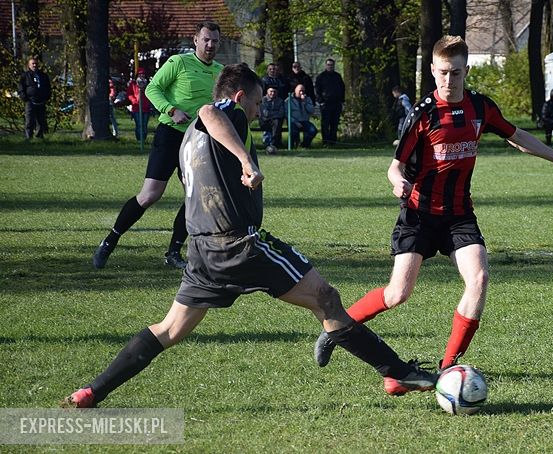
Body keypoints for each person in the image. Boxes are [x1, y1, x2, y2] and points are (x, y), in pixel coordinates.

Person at [61, 63, 437, 409]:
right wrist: (245, 160)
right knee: (326, 299)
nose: (257, 111)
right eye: (256, 102)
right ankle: (396, 372)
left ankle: (93, 391)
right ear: (240, 97)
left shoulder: (188, 136)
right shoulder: (227, 111)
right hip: (239, 243)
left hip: (203, 252)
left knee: (170, 329)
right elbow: (211, 111)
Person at [313, 35, 553, 371]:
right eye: (442, 72)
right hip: (419, 214)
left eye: (455, 73)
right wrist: (397, 181)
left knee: (480, 280)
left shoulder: (480, 107)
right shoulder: (422, 114)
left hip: (459, 215)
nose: (448, 79)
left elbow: (518, 137)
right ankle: (336, 330)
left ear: (466, 70)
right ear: (432, 70)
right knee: (398, 293)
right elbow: (395, 165)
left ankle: (447, 370)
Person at [92, 21, 224, 270]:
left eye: (215, 41)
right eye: (206, 39)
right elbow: (153, 89)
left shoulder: (220, 71)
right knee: (150, 195)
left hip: (197, 141)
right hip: (170, 135)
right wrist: (171, 109)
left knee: (194, 196)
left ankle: (173, 252)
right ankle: (109, 241)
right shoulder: (178, 63)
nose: (210, 45)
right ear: (195, 40)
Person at [18, 56, 51, 140]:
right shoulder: (25, 76)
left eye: (36, 63)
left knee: (41, 121)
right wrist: (24, 97)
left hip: (41, 101)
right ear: (29, 65)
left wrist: (47, 97)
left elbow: (48, 87)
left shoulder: (43, 75)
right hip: (30, 101)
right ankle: (28, 138)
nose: (34, 65)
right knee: (29, 121)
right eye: (33, 64)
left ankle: (39, 137)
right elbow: (21, 88)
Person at [315, 58, 346, 144]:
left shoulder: (337, 76)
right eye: (328, 65)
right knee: (325, 124)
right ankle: (325, 142)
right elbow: (317, 90)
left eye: (331, 65)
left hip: (336, 103)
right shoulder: (321, 77)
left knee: (334, 123)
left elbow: (342, 89)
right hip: (326, 104)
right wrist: (321, 101)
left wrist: (342, 101)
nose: (330, 66)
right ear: (326, 65)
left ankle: (333, 141)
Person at [286, 83, 318, 148]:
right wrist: (295, 122)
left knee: (313, 130)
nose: (301, 92)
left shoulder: (307, 99)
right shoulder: (289, 100)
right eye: (300, 90)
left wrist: (304, 102)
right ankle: (292, 146)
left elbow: (311, 110)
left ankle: (304, 145)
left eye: (303, 91)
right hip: (293, 121)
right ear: (295, 91)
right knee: (294, 132)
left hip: (305, 121)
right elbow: (286, 114)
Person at [126, 68, 153, 142]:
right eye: (140, 74)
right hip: (136, 107)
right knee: (139, 124)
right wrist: (134, 100)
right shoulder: (133, 84)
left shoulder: (148, 84)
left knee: (144, 125)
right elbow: (130, 94)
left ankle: (143, 139)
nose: (142, 76)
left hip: (146, 107)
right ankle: (139, 139)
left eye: (143, 74)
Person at [260, 86, 285, 154]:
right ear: (267, 92)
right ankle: (273, 144)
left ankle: (273, 144)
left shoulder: (280, 101)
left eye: (274, 92)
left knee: (277, 122)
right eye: (271, 91)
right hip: (265, 121)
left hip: (275, 122)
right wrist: (275, 113)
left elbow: (281, 113)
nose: (273, 93)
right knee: (276, 122)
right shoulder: (263, 100)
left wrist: (272, 115)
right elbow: (265, 113)